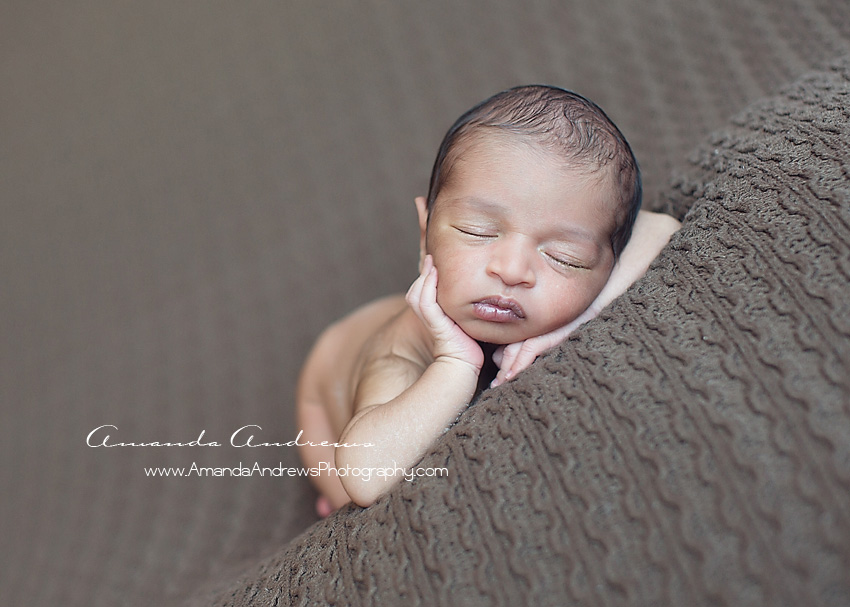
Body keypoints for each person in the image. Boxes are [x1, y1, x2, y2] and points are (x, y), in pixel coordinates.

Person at [296, 85, 680, 517]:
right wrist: (456, 365)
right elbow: (365, 474)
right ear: (425, 232)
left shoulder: (587, 267)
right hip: (330, 367)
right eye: (478, 231)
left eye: (563, 257)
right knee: (344, 493)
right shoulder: (400, 351)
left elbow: (660, 228)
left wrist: (580, 317)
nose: (512, 270)